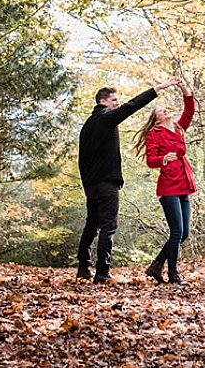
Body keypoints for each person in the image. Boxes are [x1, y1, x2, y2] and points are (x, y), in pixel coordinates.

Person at [77, 76, 182, 283]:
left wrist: (87, 184)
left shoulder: (87, 126)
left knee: (92, 224)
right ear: (103, 102)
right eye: (114, 100)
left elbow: (83, 158)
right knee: (109, 225)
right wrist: (157, 88)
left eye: (117, 100)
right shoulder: (106, 117)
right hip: (106, 183)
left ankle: (83, 267)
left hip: (91, 184)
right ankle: (102, 272)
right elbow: (131, 106)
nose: (117, 103)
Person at [136, 78, 196, 284]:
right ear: (157, 119)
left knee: (184, 232)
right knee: (177, 231)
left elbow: (189, 110)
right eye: (161, 111)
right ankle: (173, 273)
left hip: (183, 184)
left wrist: (183, 88)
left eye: (165, 109)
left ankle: (156, 265)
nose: (165, 111)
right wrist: (163, 159)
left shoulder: (179, 129)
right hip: (168, 186)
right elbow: (150, 160)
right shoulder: (155, 133)